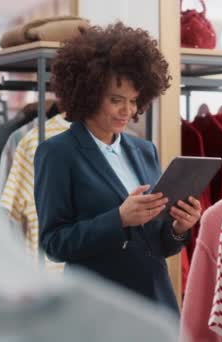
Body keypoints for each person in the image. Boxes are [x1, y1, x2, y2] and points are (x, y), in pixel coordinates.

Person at [34, 22, 201, 313]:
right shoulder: (57, 153)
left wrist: (178, 228)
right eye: (116, 100)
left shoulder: (144, 150)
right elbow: (54, 243)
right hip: (97, 311)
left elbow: (158, 244)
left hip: (155, 304)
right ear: (88, 93)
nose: (128, 111)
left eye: (134, 101)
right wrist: (119, 218)